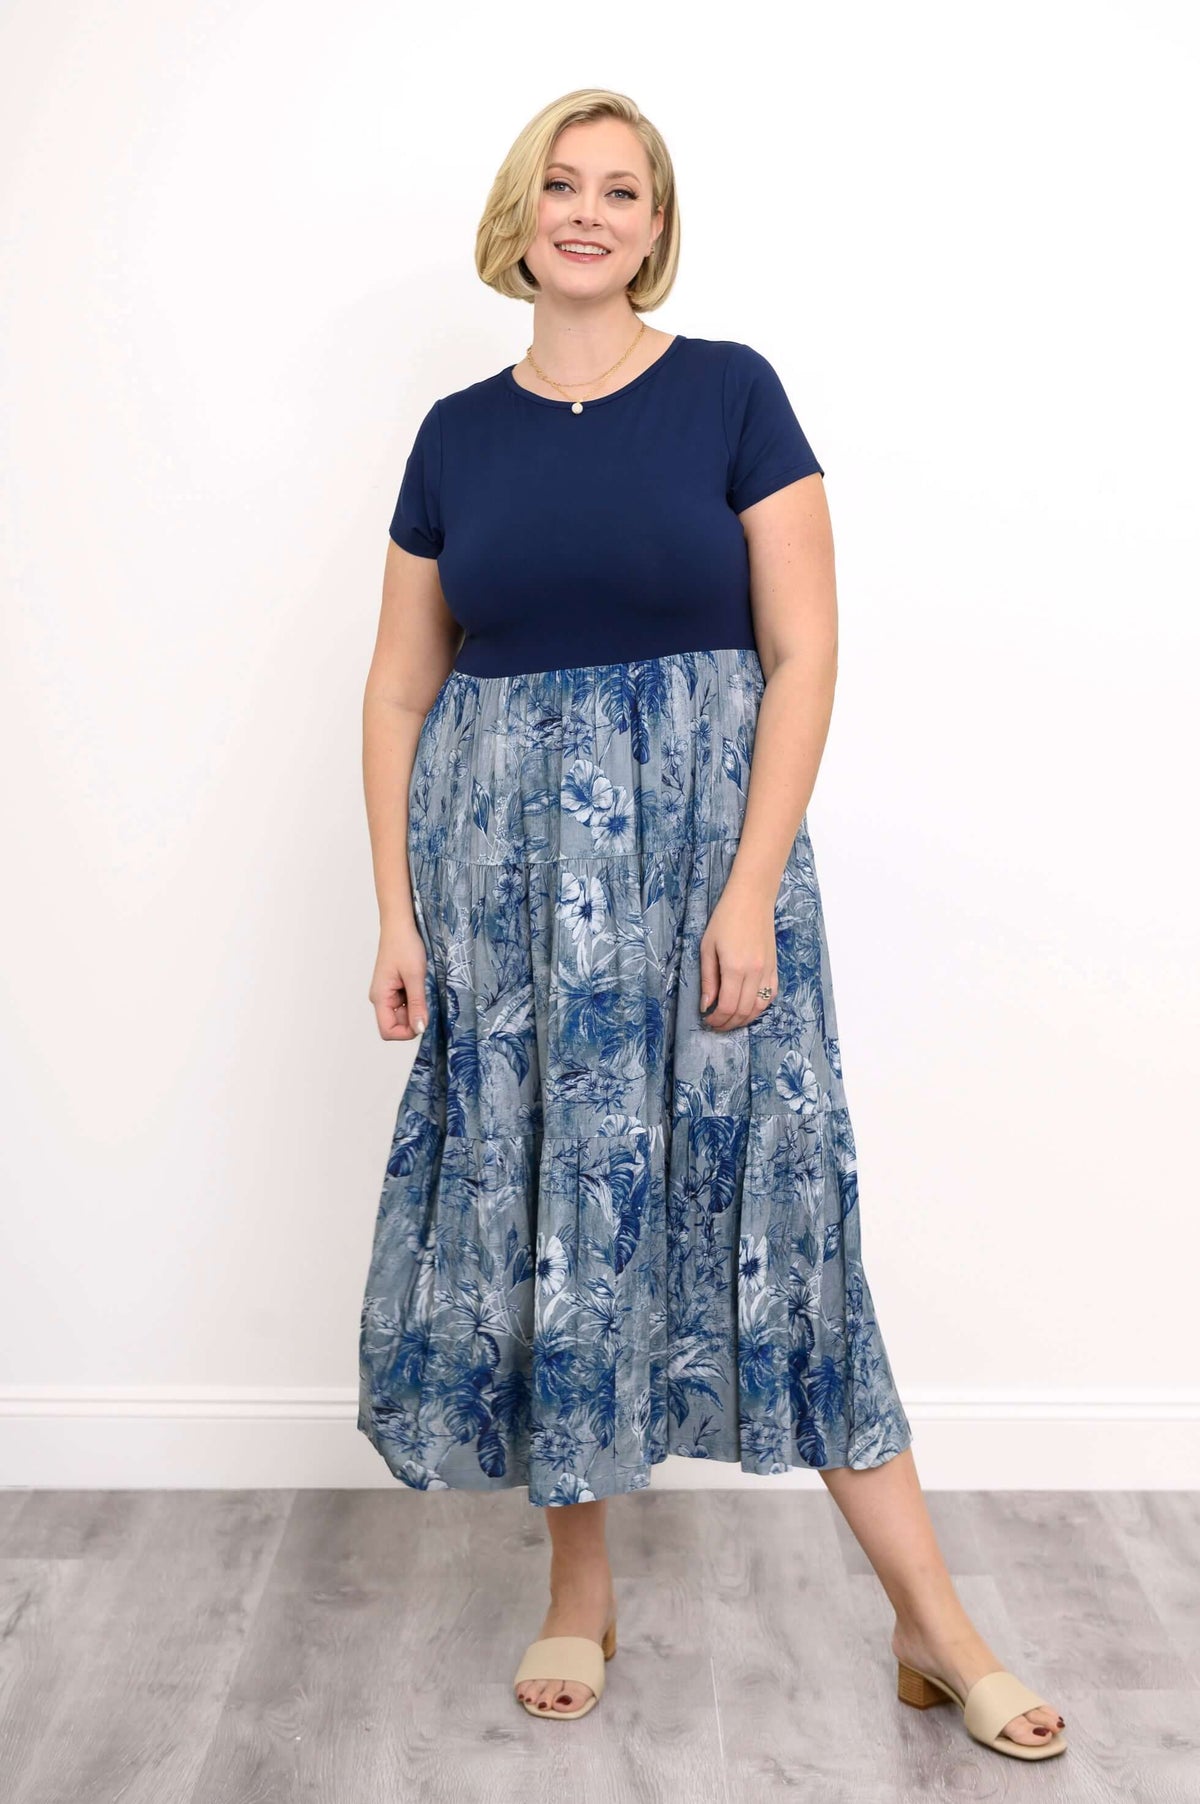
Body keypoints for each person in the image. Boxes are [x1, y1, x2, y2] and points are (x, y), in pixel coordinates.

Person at [356, 88, 1067, 1760]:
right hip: (506, 897)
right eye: (561, 185)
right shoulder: (458, 433)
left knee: (785, 1217)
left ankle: (935, 1624)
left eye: (621, 192)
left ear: (657, 227)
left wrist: (746, 888)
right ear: (519, 213)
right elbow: (401, 685)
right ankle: (579, 1593)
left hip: (702, 880)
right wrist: (396, 910)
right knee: (555, 1214)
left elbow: (803, 652)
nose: (587, 213)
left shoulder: (733, 394)